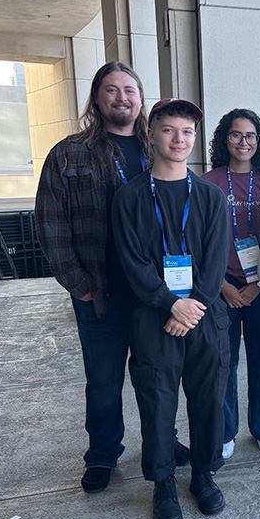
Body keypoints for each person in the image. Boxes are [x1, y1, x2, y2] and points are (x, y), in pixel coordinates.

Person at [35, 62, 190, 495]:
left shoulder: (156, 148)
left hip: (153, 294)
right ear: (97, 98)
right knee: (103, 381)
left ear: (141, 99)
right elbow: (50, 225)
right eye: (112, 90)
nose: (122, 97)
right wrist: (78, 285)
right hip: (99, 292)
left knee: (157, 376)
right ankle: (103, 453)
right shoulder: (68, 154)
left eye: (130, 90)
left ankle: (163, 441)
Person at [112, 98, 230, 519]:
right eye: (169, 130)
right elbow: (134, 263)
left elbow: (215, 263)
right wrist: (170, 303)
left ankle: (203, 474)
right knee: (157, 402)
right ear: (152, 134)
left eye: (187, 132)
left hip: (203, 317)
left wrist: (190, 307)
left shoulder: (211, 197)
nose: (179, 139)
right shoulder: (130, 197)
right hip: (153, 317)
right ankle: (163, 482)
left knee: (207, 400)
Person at [202, 109, 260, 460]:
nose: (243, 142)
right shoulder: (208, 182)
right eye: (236, 135)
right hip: (222, 287)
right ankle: (226, 430)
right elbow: (198, 241)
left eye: (250, 136)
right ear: (224, 140)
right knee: (224, 362)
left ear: (259, 141)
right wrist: (221, 286)